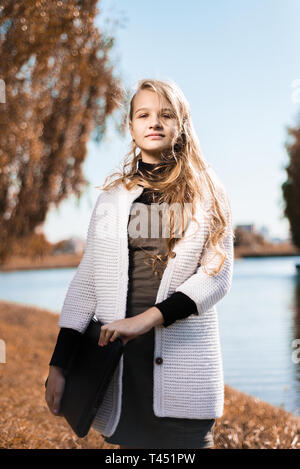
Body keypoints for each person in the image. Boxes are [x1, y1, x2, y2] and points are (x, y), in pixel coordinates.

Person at [45, 78, 234, 449]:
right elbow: (86, 284)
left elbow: (217, 275)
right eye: (143, 114)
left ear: (181, 125)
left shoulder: (207, 190)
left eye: (166, 115)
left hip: (185, 378)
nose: (154, 122)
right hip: (119, 377)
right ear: (131, 127)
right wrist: (58, 365)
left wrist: (146, 319)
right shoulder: (112, 200)